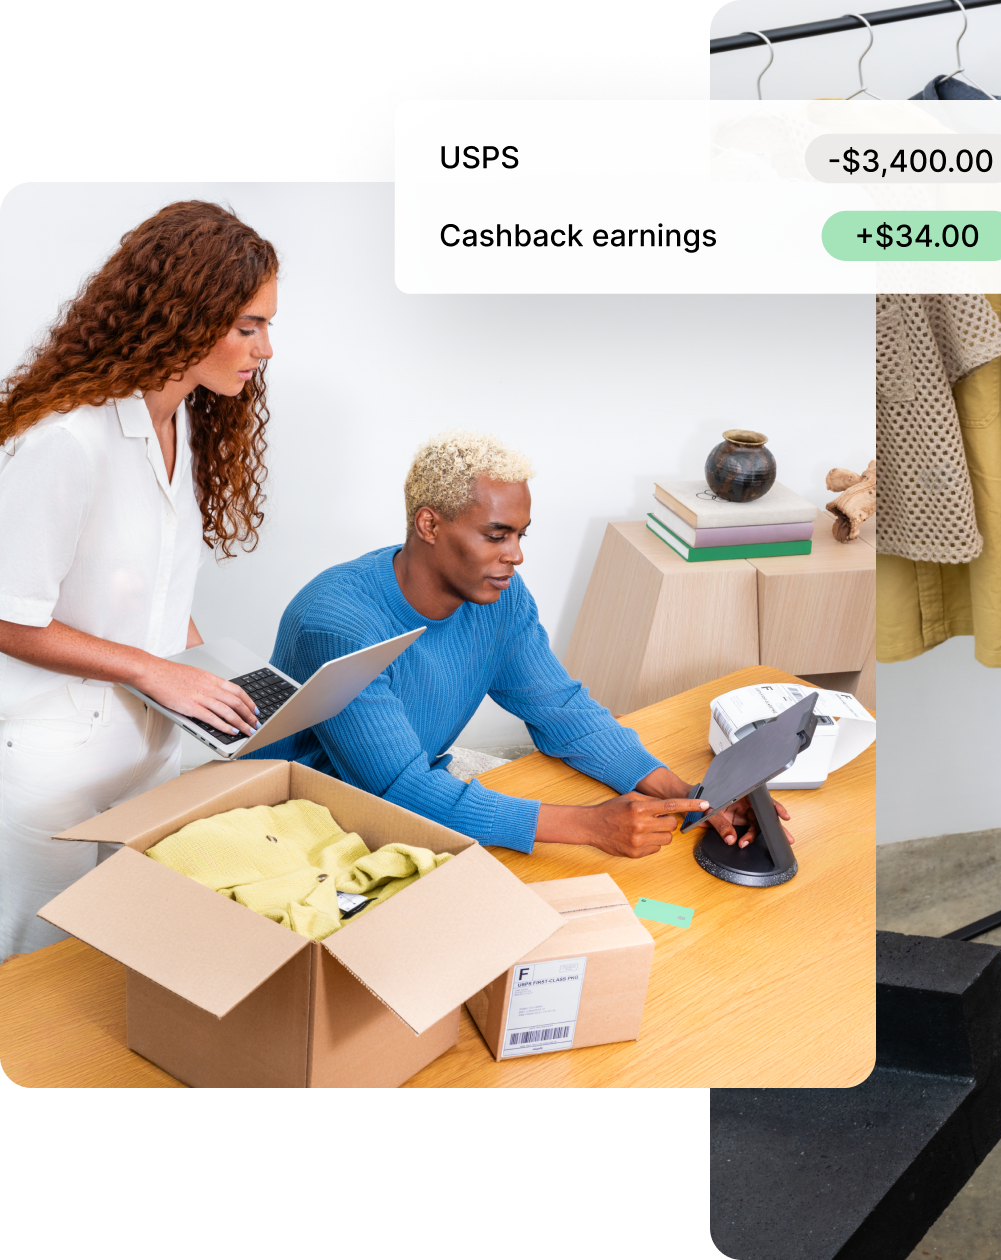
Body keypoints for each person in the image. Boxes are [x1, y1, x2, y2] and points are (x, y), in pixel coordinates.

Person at [249, 430, 781, 857]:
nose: (516, 556)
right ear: (429, 524)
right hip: (296, 817)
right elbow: (399, 791)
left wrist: (686, 795)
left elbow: (559, 709)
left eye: (521, 535)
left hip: (406, 787)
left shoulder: (497, 597)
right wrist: (590, 827)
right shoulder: (340, 623)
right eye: (496, 535)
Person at [0, 202, 280, 958]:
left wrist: (219, 676)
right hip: (55, 761)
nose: (264, 348)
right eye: (248, 326)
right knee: (39, 974)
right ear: (187, 315)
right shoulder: (65, 440)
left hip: (149, 746)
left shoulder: (181, 421)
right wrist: (157, 672)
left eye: (267, 327)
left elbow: (152, 593)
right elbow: (8, 616)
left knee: (113, 957)